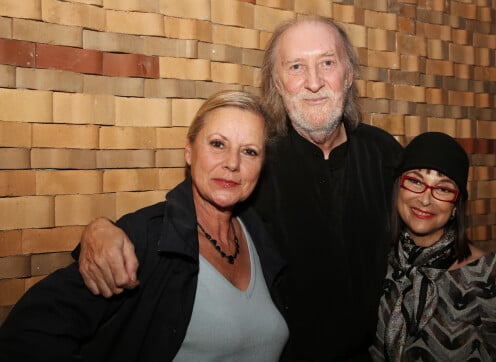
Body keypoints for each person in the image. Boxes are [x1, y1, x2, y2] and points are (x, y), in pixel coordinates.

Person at [76, 16, 496, 360]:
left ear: (349, 75)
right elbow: (187, 215)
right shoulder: (255, 158)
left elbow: (430, 218)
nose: (315, 82)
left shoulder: (384, 151)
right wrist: (99, 232)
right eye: (296, 67)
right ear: (276, 84)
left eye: (327, 63)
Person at [0, 90, 289, 361]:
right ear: (189, 150)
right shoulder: (147, 239)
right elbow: (27, 334)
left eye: (249, 151)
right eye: (217, 144)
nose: (232, 163)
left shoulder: (264, 238)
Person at [370, 132, 496, 361]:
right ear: (398, 187)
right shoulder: (378, 259)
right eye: (416, 181)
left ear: (456, 206)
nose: (426, 199)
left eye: (444, 189)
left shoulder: (489, 276)